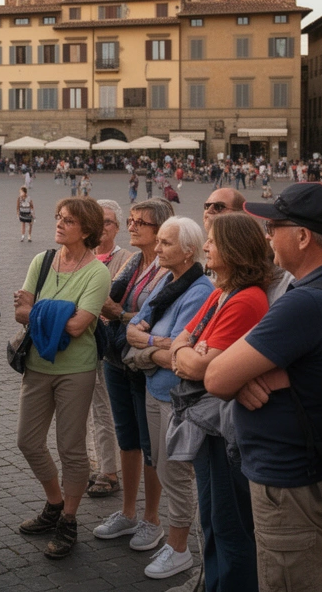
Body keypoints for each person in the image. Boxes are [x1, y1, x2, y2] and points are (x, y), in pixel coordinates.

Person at [205, 182, 322, 592]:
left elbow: (215, 377)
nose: (267, 235)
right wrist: (258, 374)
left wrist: (243, 376)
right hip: (319, 467)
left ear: (302, 236)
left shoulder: (305, 302)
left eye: (274, 227)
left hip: (290, 480)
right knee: (321, 574)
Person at [167, 212, 275, 591]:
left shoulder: (246, 300)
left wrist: (188, 353)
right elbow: (180, 344)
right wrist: (188, 352)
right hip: (206, 423)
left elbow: (197, 365)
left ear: (234, 249)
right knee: (212, 518)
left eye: (212, 240)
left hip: (224, 429)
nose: (207, 246)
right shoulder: (220, 291)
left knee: (230, 525)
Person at [12, 197, 111, 559]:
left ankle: (68, 518)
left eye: (67, 220)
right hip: (38, 364)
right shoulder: (42, 262)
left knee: (71, 447)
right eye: (58, 217)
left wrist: (37, 310)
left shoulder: (98, 272)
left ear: (86, 230)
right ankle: (54, 502)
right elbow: (19, 314)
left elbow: (78, 325)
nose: (58, 223)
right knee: (27, 440)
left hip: (76, 369)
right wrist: (52, 311)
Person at [129, 217, 215, 580]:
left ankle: (180, 549)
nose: (158, 248)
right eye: (159, 241)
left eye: (165, 243)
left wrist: (147, 348)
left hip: (177, 398)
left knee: (176, 473)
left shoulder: (199, 289)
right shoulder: (167, 278)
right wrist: (156, 345)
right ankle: (172, 538)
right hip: (154, 390)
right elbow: (135, 327)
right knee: (161, 466)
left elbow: (182, 356)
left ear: (188, 252)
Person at [94, 199, 173, 552]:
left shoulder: (167, 267)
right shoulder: (134, 263)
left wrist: (119, 314)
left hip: (144, 362)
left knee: (149, 442)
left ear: (160, 231)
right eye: (131, 220)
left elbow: (157, 318)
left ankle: (152, 519)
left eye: (141, 222)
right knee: (127, 437)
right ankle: (127, 511)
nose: (133, 226)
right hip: (116, 358)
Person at [85, 200, 128, 499]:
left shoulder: (127, 259)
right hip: (79, 343)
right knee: (85, 411)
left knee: (103, 409)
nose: (102, 227)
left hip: (106, 345)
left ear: (118, 228)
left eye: (109, 222)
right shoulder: (79, 256)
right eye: (97, 221)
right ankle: (96, 463)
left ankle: (109, 471)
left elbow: (120, 306)